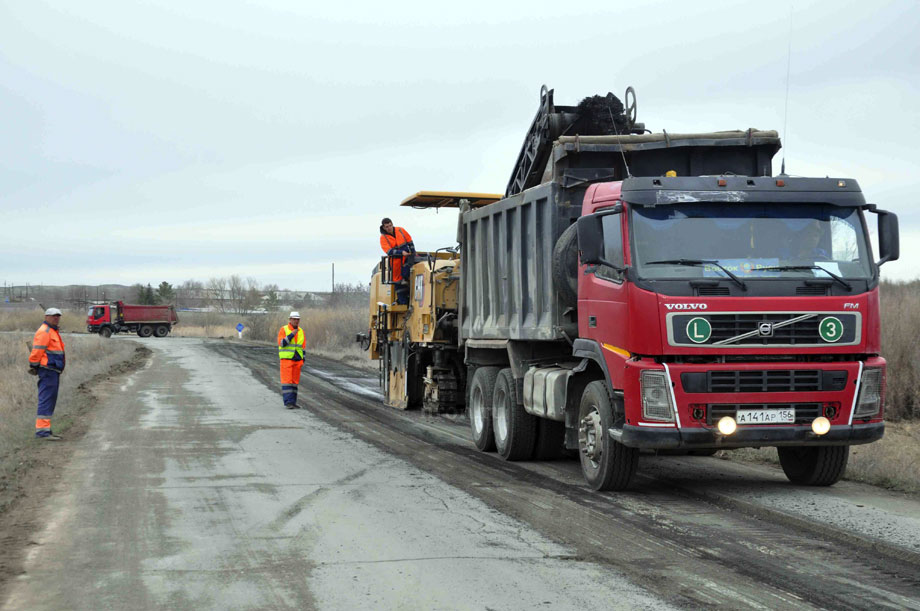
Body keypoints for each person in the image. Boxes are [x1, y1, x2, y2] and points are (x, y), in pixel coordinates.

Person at [28, 308, 66, 440]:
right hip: (48, 370)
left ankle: (46, 430)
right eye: (53, 316)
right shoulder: (45, 331)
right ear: (46, 317)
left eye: (58, 316)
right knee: (46, 399)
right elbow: (37, 351)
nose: (56, 318)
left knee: (49, 400)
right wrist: (34, 365)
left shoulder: (52, 331)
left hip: (52, 371)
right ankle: (42, 432)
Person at [379, 217, 415, 304]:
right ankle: (403, 303)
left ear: (392, 224)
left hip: (407, 258)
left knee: (408, 273)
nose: (389, 228)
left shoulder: (401, 230)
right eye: (387, 227)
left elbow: (410, 241)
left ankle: (407, 284)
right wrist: (401, 252)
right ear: (383, 227)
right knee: (399, 284)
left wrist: (413, 252)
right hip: (395, 263)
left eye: (390, 225)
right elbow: (388, 251)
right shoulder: (383, 238)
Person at [277, 311, 305, 409]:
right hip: (286, 360)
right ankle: (288, 402)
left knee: (294, 382)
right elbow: (282, 343)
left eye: (297, 319)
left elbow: (303, 347)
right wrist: (292, 334)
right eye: (294, 319)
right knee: (287, 381)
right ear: (290, 320)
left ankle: (293, 402)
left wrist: (303, 360)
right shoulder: (284, 329)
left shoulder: (301, 331)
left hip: (297, 360)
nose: (296, 321)